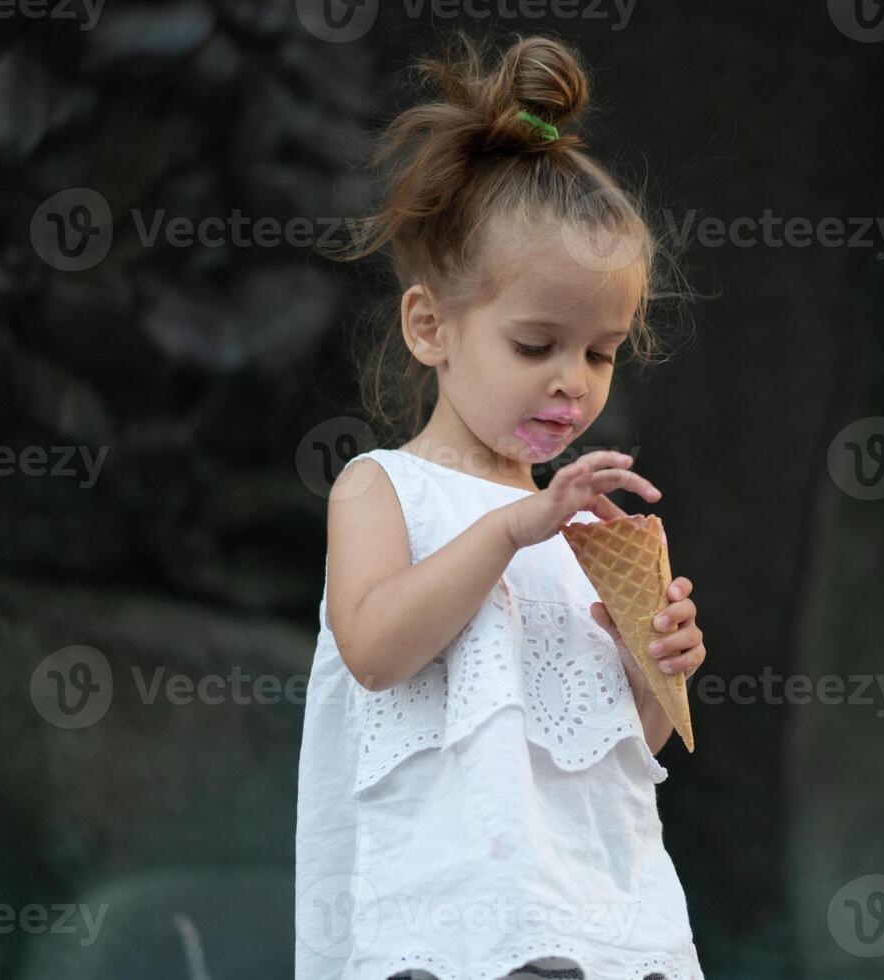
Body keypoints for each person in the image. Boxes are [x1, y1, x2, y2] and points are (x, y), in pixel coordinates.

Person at [294, 30, 708, 980]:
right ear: (432, 325)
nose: (573, 383)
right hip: (455, 925)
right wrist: (517, 526)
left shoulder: (583, 528)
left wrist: (654, 675)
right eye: (536, 346)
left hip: (599, 912)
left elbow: (609, 750)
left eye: (600, 353)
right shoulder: (383, 488)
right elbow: (377, 649)